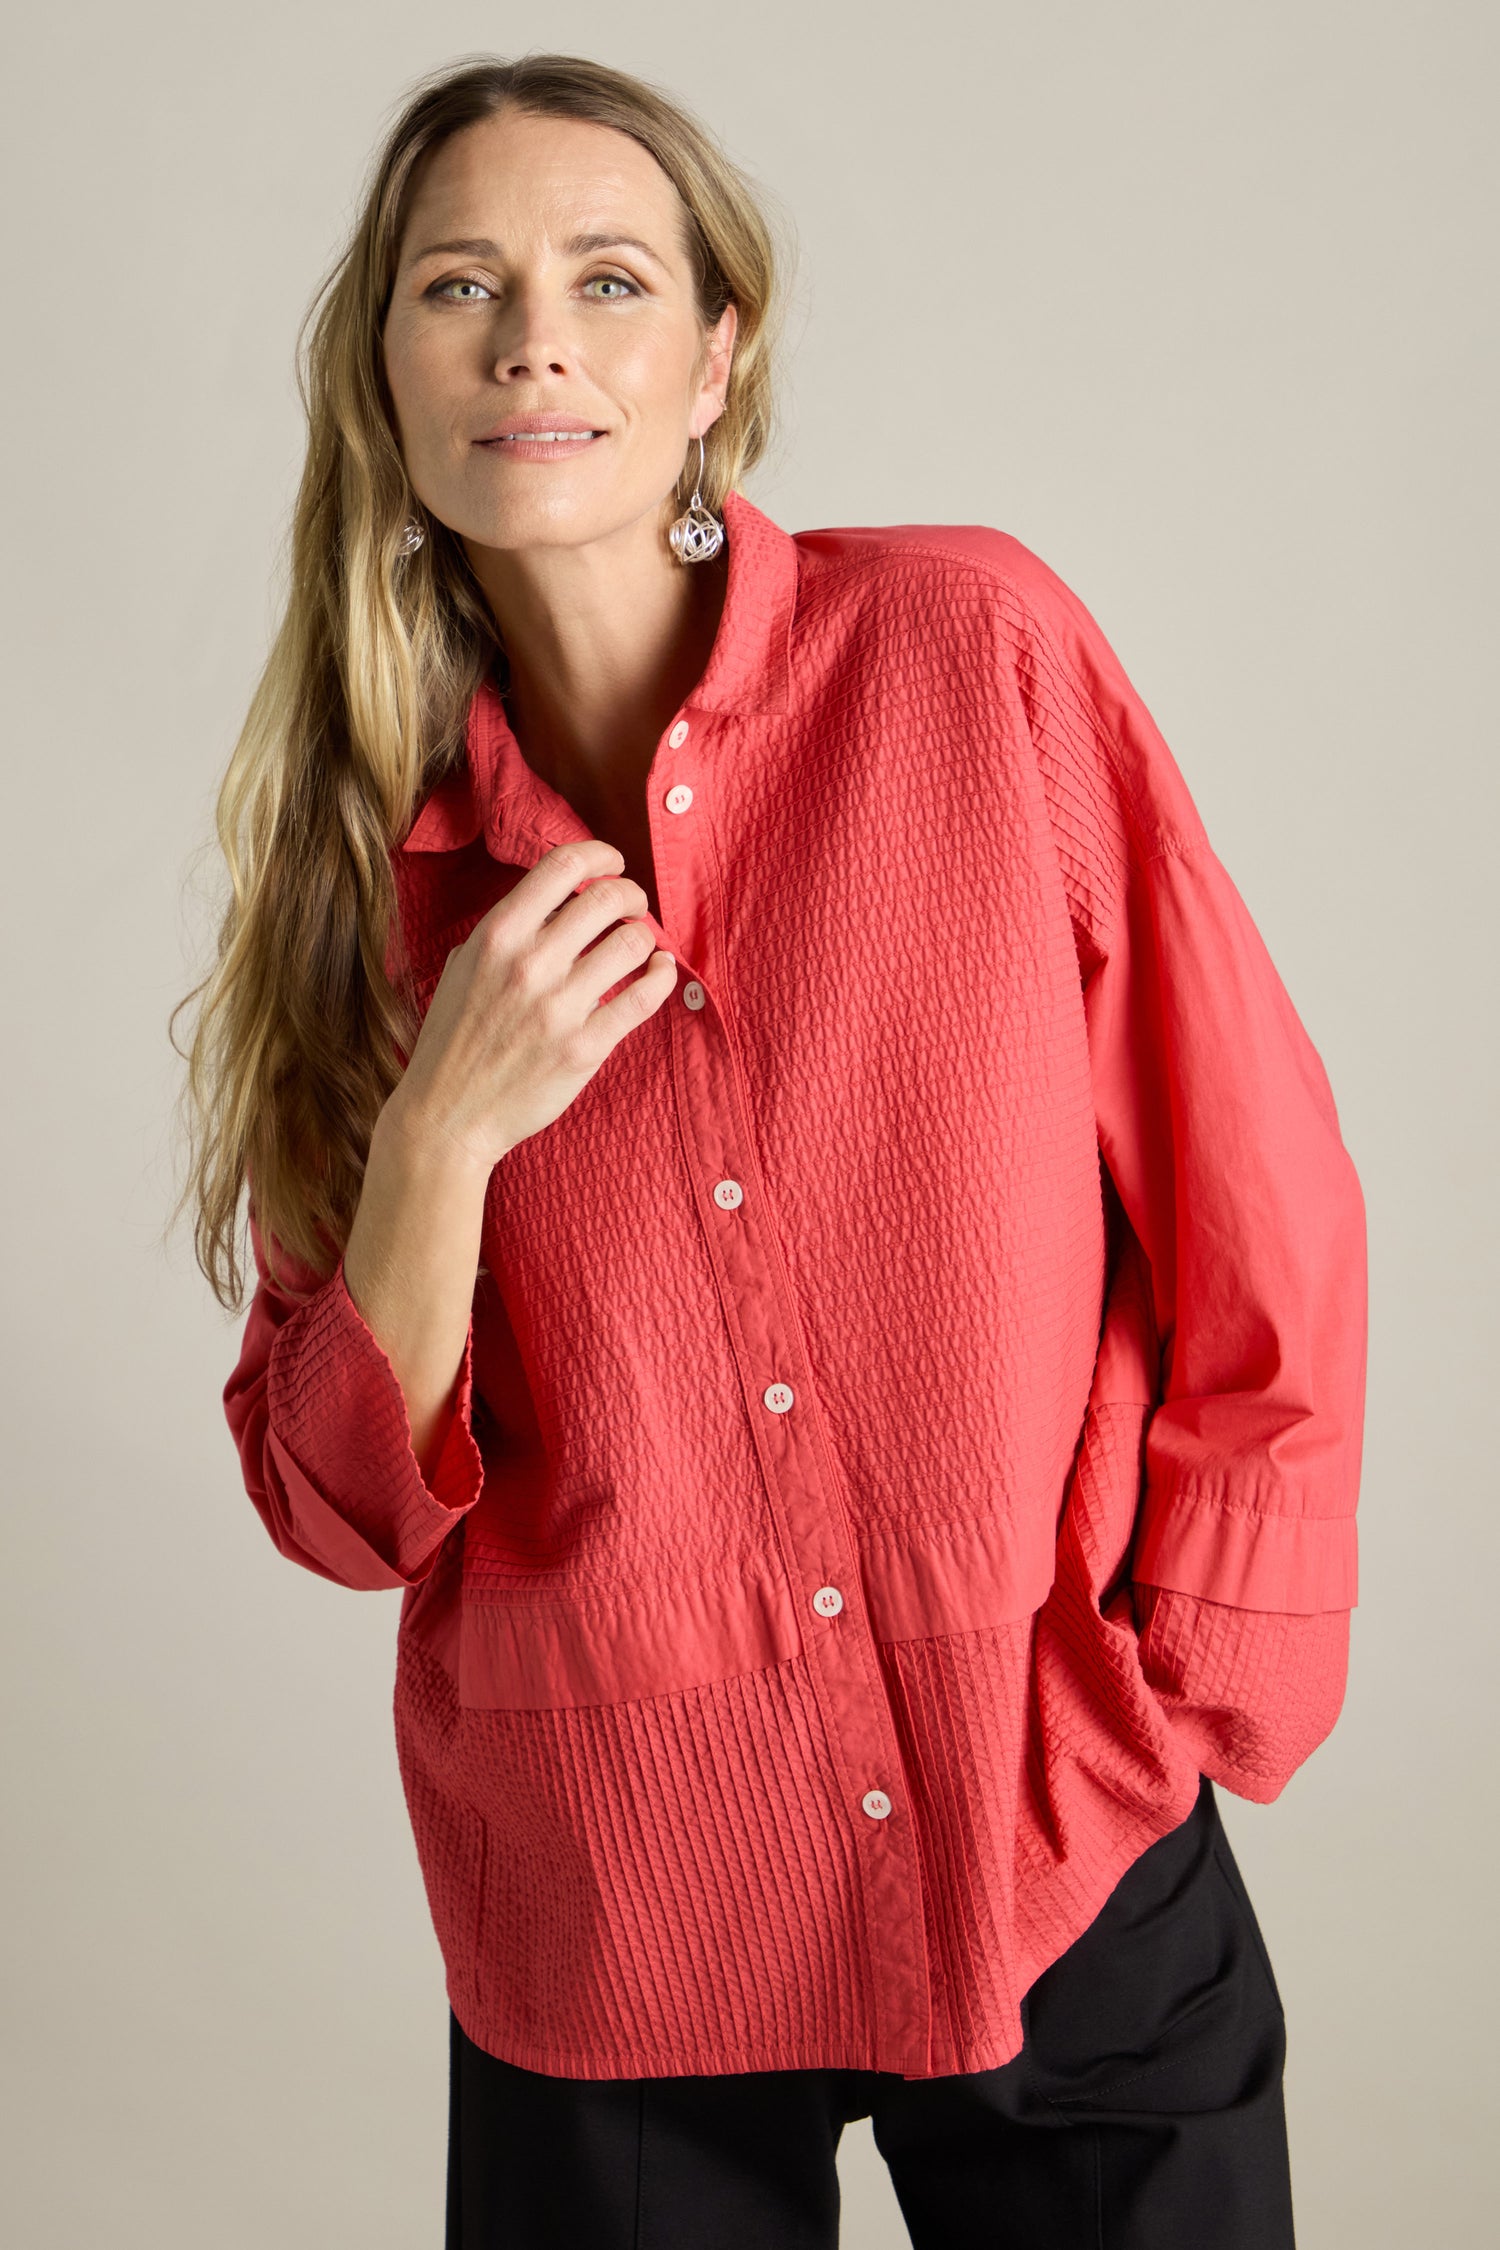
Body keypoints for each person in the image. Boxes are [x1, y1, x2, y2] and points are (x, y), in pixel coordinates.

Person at [178, 50, 1367, 2250]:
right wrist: (441, 1131)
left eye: (607, 277)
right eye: (461, 285)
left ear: (715, 359)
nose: (534, 334)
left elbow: (1256, 1190)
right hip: (615, 1920)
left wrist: (1192, 1683)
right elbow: (335, 1508)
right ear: (386, 376)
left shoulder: (972, 655)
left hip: (1058, 1848)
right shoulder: (359, 895)